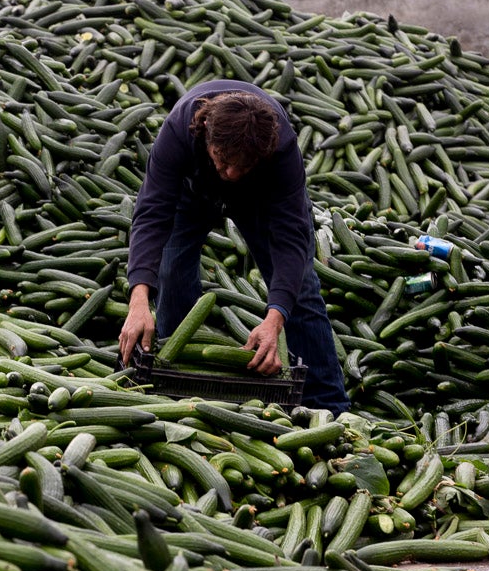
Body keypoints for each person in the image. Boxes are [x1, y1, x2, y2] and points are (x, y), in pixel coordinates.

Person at [118, 79, 351, 414]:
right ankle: (175, 382)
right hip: (192, 191)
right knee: (172, 272)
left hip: (259, 198)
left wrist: (275, 319)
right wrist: (138, 298)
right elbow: (152, 213)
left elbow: (292, 240)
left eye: (241, 166)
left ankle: (329, 405)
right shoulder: (180, 129)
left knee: (301, 290)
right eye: (223, 160)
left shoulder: (281, 149)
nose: (230, 173)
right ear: (206, 134)